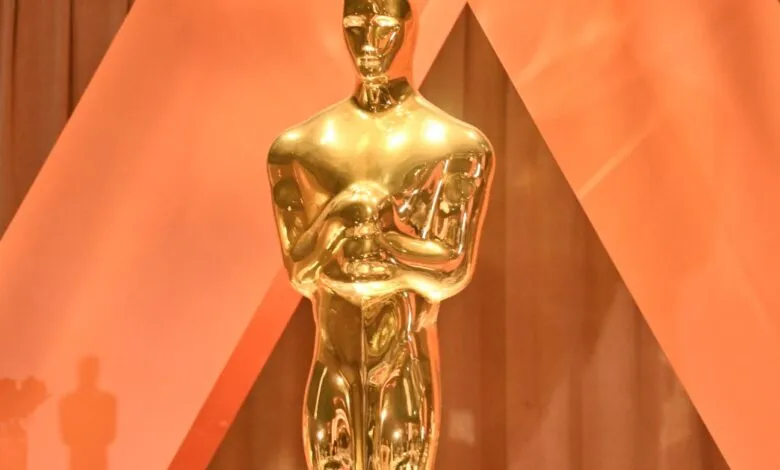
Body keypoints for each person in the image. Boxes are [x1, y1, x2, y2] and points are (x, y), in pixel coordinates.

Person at [267, 1, 494, 467]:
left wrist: (387, 235)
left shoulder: (453, 147)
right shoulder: (300, 149)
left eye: (384, 25)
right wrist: (340, 218)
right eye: (355, 25)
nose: (368, 43)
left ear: (410, 26)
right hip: (333, 352)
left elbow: (452, 269)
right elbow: (300, 268)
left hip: (404, 351)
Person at [59, 357, 116, 470]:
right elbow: (66, 435)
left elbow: (110, 434)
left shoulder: (108, 401)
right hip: (84, 460)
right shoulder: (68, 402)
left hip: (90, 460)